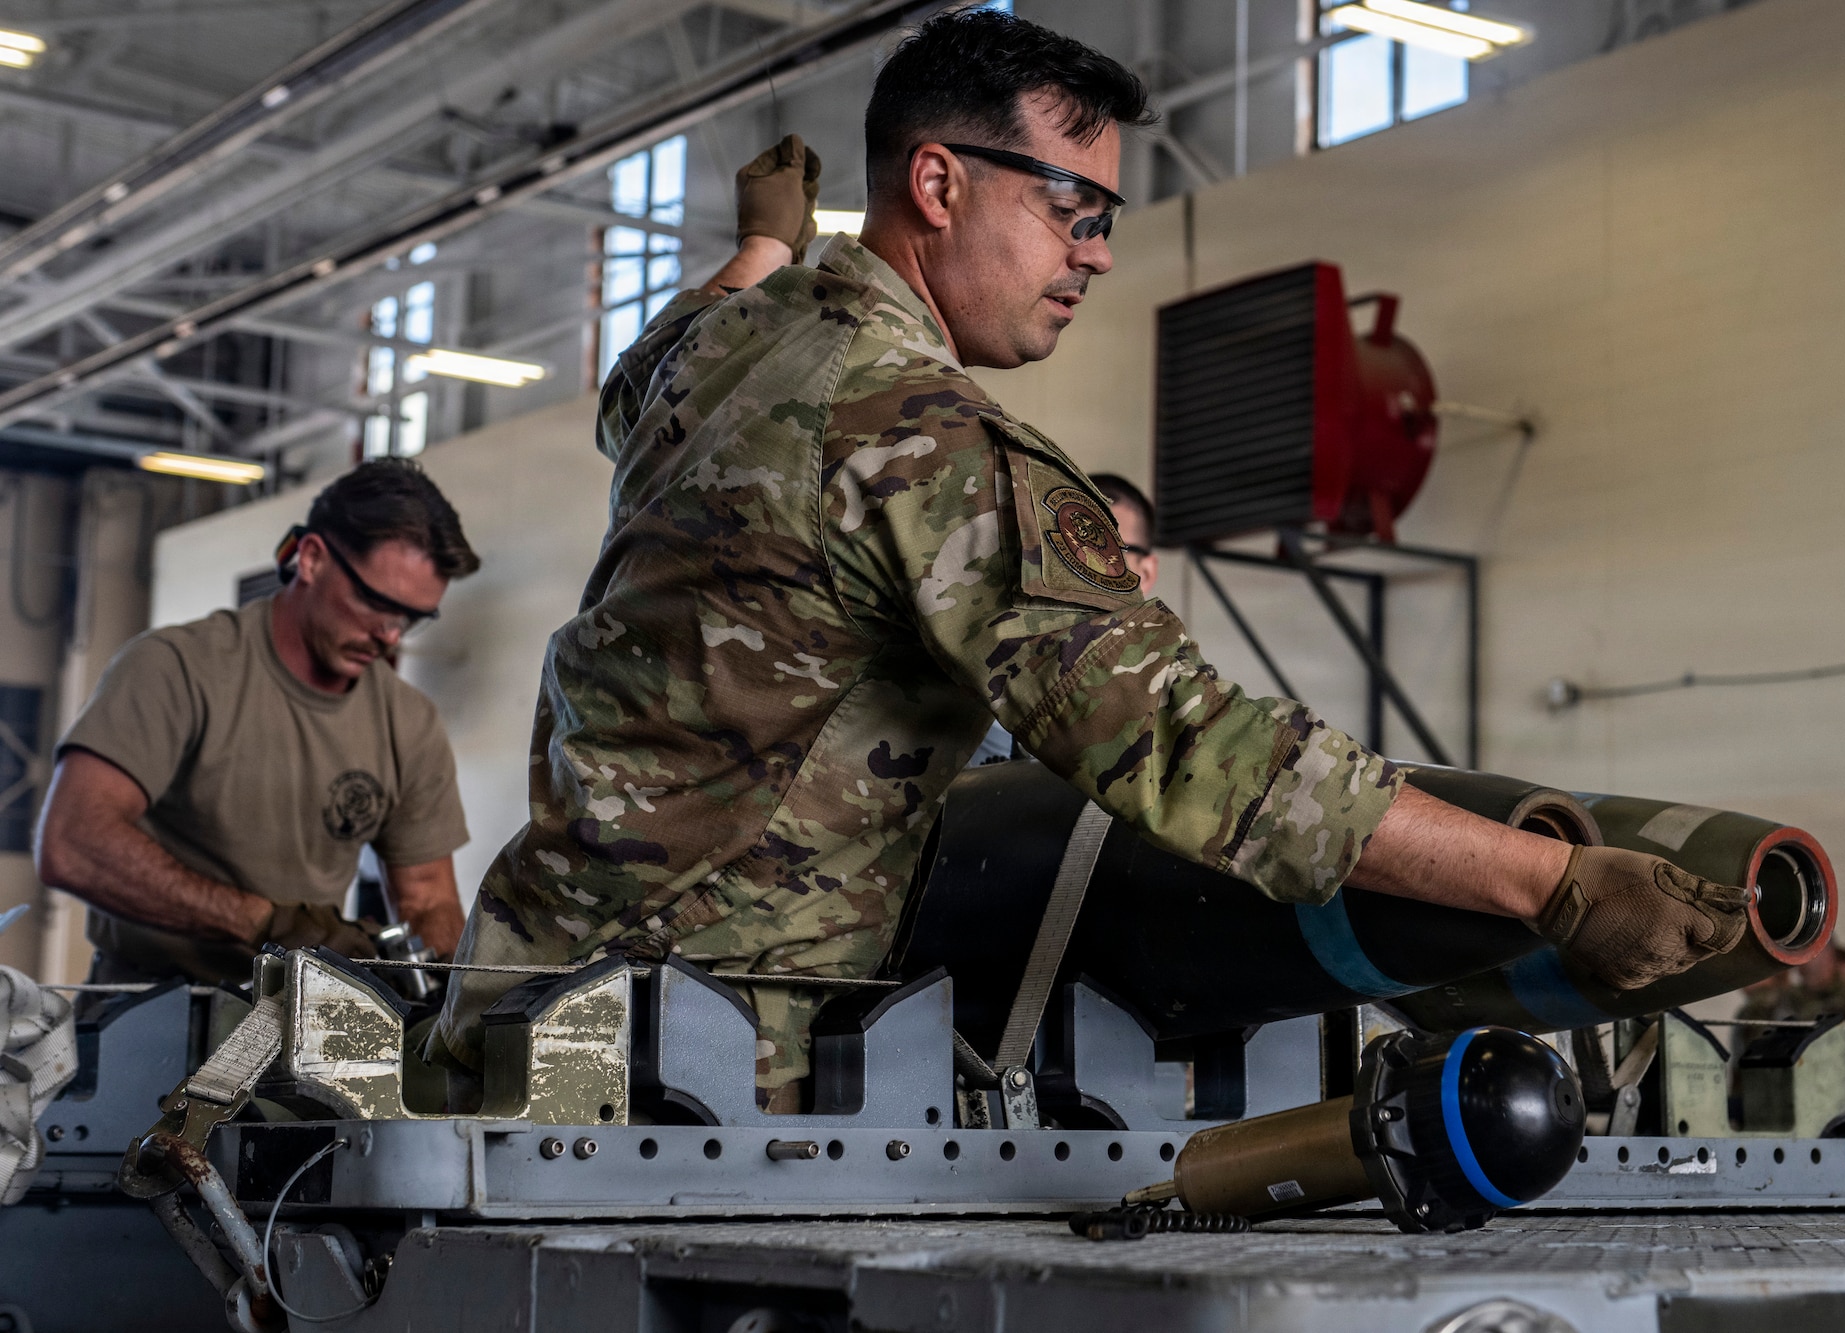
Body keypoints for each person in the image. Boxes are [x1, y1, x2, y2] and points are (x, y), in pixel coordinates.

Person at [432, 9, 1749, 1112]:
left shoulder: (719, 359)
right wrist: (1555, 880)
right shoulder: (923, 436)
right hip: (714, 1075)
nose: (1099, 252)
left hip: (526, 1010)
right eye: (1073, 206)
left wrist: (772, 243)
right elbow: (1186, 746)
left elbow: (637, 374)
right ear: (939, 184)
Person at [35, 459, 478, 986]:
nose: (390, 635)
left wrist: (446, 995)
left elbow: (428, 897)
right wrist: (269, 924)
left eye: (410, 617)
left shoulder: (409, 723)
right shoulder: (176, 668)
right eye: (376, 603)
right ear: (312, 559)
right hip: (148, 1006)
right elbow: (73, 841)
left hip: (299, 1012)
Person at [966, 471, 1156, 766]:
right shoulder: (982, 681)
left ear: (1146, 573)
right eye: (1062, 549)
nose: (1080, 569)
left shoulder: (1169, 695)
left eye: (1104, 549)